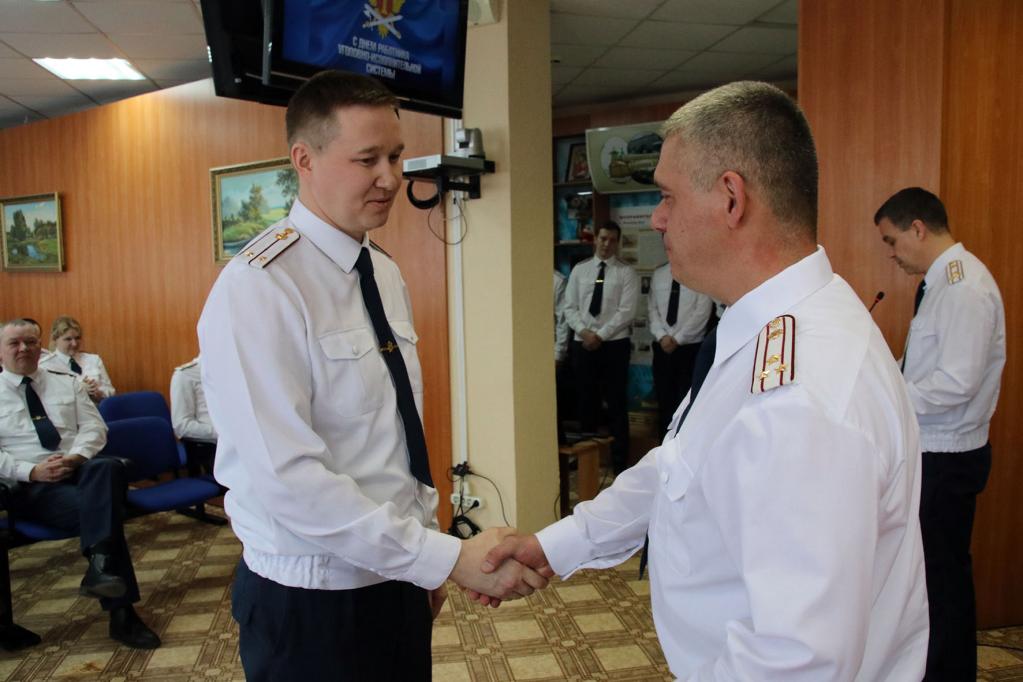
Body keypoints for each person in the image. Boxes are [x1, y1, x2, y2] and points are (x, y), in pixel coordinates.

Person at [477, 81, 929, 679]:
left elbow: (796, 660)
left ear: (731, 198)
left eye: (667, 196)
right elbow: (678, 466)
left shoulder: (797, 396)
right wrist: (556, 545)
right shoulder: (770, 327)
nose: (657, 219)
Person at [197, 70, 547, 681]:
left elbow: (394, 435)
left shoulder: (380, 269)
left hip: (395, 577)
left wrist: (423, 561)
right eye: (367, 159)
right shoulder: (259, 288)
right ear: (304, 160)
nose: (390, 177)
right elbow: (289, 480)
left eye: (395, 155)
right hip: (314, 602)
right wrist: (442, 557)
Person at [875, 187, 1005, 681]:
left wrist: (890, 398)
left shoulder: (963, 287)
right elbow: (921, 365)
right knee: (933, 577)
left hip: (948, 456)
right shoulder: (942, 284)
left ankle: (949, 674)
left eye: (892, 240)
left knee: (942, 579)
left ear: (918, 228)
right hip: (932, 450)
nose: (892, 254)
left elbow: (957, 381)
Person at [0, 318, 160, 649]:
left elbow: (95, 428)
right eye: (14, 343)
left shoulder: (66, 382)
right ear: (1, 351)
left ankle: (101, 568)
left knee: (107, 468)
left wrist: (75, 457)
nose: (24, 348)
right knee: (105, 511)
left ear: (41, 346)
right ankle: (121, 613)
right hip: (31, 487)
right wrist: (32, 471)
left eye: (31, 342)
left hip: (79, 470)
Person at [563, 221, 640, 472]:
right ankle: (586, 461)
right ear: (595, 239)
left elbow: (626, 312)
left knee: (616, 403)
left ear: (618, 243)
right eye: (603, 238)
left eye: (612, 240)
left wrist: (601, 335)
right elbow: (569, 308)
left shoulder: (626, 273)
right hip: (583, 344)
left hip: (614, 345)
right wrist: (585, 333)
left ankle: (619, 464)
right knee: (586, 401)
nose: (607, 244)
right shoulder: (580, 270)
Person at [646, 262, 714, 433]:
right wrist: (661, 336)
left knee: (687, 400)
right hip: (662, 347)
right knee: (664, 399)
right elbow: (652, 308)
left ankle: (682, 442)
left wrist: (678, 339)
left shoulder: (699, 272)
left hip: (689, 348)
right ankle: (663, 443)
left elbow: (702, 311)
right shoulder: (659, 274)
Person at [39, 316, 115, 403]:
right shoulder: (45, 366)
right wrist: (78, 389)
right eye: (68, 339)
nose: (74, 344)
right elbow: (47, 398)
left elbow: (111, 392)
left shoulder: (93, 360)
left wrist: (98, 393)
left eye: (77, 338)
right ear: (55, 339)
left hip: (96, 409)